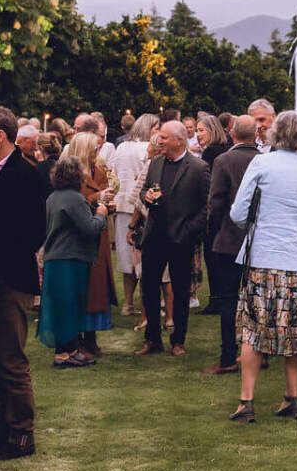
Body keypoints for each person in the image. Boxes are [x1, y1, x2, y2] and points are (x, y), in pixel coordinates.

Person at [228, 110, 297, 422]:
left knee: (252, 330)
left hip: (262, 255)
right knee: (295, 329)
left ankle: (246, 401)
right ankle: (292, 397)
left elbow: (237, 213)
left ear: (274, 133)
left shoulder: (261, 163)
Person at [0, 105, 47, 459]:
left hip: (10, 278)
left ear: (0, 135)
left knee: (11, 358)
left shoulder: (24, 174)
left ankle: (22, 433)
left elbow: (33, 230)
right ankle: (2, 426)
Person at [134, 120, 210, 356]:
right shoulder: (156, 163)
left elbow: (207, 207)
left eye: (164, 137)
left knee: (180, 289)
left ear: (179, 139)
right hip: (154, 236)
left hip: (181, 239)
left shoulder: (198, 168)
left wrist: (188, 230)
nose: (159, 141)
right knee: (148, 288)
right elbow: (145, 189)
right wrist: (147, 196)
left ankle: (178, 340)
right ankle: (152, 339)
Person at [203, 114, 260, 375]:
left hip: (228, 237)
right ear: (255, 135)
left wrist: (212, 231)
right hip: (259, 239)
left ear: (232, 134)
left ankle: (228, 355)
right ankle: (260, 352)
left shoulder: (223, 160)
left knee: (229, 299)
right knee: (256, 298)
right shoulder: (264, 160)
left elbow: (215, 202)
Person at [39, 155, 109, 367]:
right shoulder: (74, 198)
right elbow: (89, 228)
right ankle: (66, 353)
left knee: (60, 306)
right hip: (70, 259)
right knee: (70, 305)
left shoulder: (53, 197)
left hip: (56, 258)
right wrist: (101, 214)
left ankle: (67, 350)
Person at [63, 130, 117, 359]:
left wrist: (108, 203)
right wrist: (98, 199)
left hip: (98, 234)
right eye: (94, 148)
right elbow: (71, 204)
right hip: (80, 238)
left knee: (97, 287)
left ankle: (91, 337)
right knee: (82, 288)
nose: (98, 151)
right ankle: (78, 340)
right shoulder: (70, 175)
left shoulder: (99, 170)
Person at [111, 114, 157, 314]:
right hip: (140, 206)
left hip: (121, 205)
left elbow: (113, 172)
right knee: (143, 255)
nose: (159, 132)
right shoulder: (147, 149)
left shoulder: (121, 147)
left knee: (125, 255)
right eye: (156, 128)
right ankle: (146, 305)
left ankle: (128, 303)